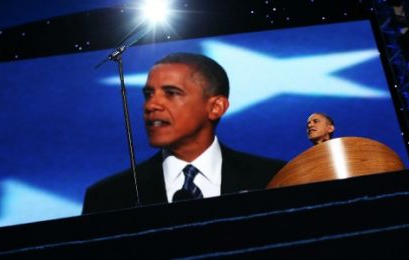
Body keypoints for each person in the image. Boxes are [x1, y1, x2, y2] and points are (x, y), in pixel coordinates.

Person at [82, 53, 285, 214]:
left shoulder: (275, 179)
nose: (151, 105)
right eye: (148, 94)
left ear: (216, 107)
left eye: (171, 93)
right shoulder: (106, 197)